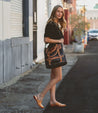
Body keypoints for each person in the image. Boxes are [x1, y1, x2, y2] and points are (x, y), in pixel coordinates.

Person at [33, 5, 67, 109]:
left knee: (53, 77)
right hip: (54, 53)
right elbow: (46, 39)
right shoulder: (51, 24)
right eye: (58, 11)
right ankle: (40, 95)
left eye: (61, 12)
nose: (60, 14)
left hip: (57, 53)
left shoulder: (56, 24)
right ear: (54, 12)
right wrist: (59, 41)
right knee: (58, 77)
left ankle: (52, 100)